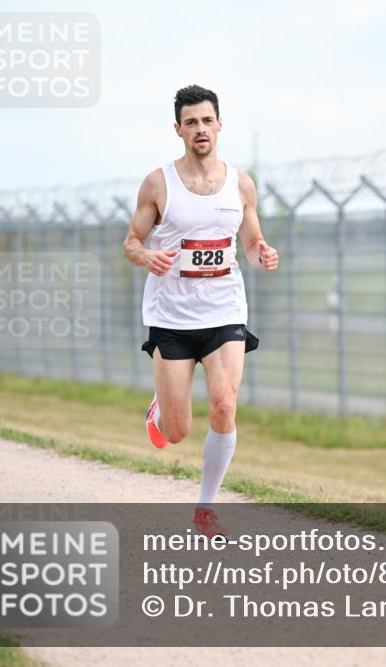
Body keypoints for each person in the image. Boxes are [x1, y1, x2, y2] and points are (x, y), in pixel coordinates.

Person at [122, 84, 279, 537]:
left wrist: (263, 253)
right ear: (178, 130)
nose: (200, 129)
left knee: (225, 406)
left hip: (224, 310)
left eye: (207, 120)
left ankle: (205, 508)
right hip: (171, 316)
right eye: (191, 122)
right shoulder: (159, 183)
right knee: (177, 432)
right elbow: (131, 242)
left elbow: (250, 243)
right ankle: (161, 411)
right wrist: (146, 256)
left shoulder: (240, 183)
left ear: (219, 124)